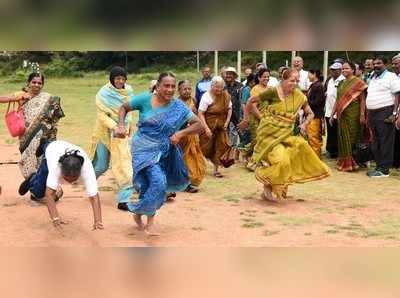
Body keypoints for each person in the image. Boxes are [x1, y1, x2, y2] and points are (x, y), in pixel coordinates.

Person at [115, 72, 203, 236]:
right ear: (158, 86)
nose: (169, 90)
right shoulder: (144, 99)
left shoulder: (178, 107)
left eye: (172, 86)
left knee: (152, 184)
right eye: (166, 86)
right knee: (158, 182)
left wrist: (180, 134)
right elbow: (124, 108)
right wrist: (120, 125)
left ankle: (144, 218)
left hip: (163, 151)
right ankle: (143, 215)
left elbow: (198, 125)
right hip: (142, 148)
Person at [239, 68, 330, 201]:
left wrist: (303, 124)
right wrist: (248, 119)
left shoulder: (299, 95)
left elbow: (311, 113)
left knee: (288, 158)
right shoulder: (273, 92)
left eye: (297, 81)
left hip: (286, 135)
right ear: (283, 80)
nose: (294, 84)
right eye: (291, 81)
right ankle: (267, 184)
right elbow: (251, 102)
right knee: (280, 160)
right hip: (269, 135)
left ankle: (275, 188)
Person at [0, 72, 64, 201]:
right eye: (34, 82)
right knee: (29, 163)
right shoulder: (21, 95)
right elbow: (1, 99)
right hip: (26, 137)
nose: (36, 85)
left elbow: (55, 115)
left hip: (44, 138)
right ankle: (35, 188)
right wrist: (18, 98)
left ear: (43, 85)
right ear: (28, 83)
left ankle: (39, 188)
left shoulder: (47, 97)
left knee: (44, 163)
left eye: (39, 83)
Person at [18, 140, 103, 230]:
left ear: (80, 172)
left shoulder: (87, 170)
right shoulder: (55, 166)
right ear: (61, 170)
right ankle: (32, 177)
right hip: (52, 149)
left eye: (74, 179)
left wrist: (98, 221)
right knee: (38, 192)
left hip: (65, 148)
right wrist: (55, 218)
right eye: (66, 178)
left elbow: (94, 197)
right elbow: (49, 194)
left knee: (43, 189)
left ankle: (44, 146)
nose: (69, 182)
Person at [89, 66, 136, 211]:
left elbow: (129, 111)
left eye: (122, 79)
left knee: (124, 166)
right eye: (117, 78)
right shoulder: (103, 93)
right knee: (101, 165)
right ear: (112, 79)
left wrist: (126, 128)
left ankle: (124, 199)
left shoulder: (128, 91)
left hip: (121, 134)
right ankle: (89, 184)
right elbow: (101, 116)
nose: (120, 81)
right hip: (104, 133)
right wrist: (114, 126)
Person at [329, 62, 367, 171]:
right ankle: (344, 162)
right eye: (343, 68)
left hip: (354, 114)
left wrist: (362, 114)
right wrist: (332, 115)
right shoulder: (341, 83)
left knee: (352, 137)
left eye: (346, 68)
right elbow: (338, 100)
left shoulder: (358, 82)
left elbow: (362, 100)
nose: (344, 70)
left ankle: (354, 162)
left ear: (353, 70)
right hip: (342, 114)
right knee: (342, 137)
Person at [367, 56, 400, 177]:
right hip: (373, 113)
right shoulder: (373, 77)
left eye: (379, 63)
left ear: (385, 64)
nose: (376, 65)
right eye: (374, 63)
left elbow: (397, 95)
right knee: (376, 142)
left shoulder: (391, 77)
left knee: (385, 141)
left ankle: (384, 170)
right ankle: (379, 167)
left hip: (385, 112)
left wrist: (394, 113)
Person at [198, 76, 232, 178]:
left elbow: (229, 109)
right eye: (216, 87)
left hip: (221, 127)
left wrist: (227, 122)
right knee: (205, 148)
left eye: (221, 87)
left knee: (220, 147)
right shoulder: (206, 96)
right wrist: (206, 128)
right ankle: (200, 166)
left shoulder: (225, 96)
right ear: (212, 86)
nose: (218, 90)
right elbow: (200, 113)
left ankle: (216, 170)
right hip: (208, 126)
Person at [177, 80, 206, 193]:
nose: (187, 91)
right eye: (184, 89)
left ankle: (189, 182)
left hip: (193, 135)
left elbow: (197, 116)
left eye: (189, 89)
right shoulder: (176, 102)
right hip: (181, 134)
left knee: (193, 157)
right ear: (179, 90)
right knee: (182, 159)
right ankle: (182, 182)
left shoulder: (193, 100)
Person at [244, 68, 271, 170]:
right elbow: (253, 106)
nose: (266, 78)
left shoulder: (270, 89)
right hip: (256, 118)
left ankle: (261, 160)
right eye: (264, 76)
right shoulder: (255, 89)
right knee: (257, 140)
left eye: (268, 76)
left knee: (265, 140)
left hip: (267, 119)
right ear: (259, 78)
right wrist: (260, 117)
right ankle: (247, 154)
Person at [324, 62, 345, 158]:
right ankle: (330, 150)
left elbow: (340, 98)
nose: (332, 72)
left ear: (340, 70)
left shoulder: (343, 80)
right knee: (330, 132)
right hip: (328, 110)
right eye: (331, 70)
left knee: (337, 132)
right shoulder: (330, 80)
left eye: (335, 70)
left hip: (338, 112)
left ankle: (337, 152)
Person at [306, 69, 325, 157]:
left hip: (315, 115)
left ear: (314, 74)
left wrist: (306, 104)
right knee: (310, 137)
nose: (308, 76)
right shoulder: (313, 85)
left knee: (314, 138)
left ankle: (316, 158)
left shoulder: (319, 86)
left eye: (309, 74)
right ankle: (312, 158)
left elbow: (318, 101)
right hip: (310, 115)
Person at [224, 67, 243, 150]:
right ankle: (230, 152)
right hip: (226, 114)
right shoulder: (223, 86)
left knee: (242, 133)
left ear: (234, 76)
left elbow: (243, 100)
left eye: (230, 74)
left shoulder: (240, 86)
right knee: (228, 133)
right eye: (227, 74)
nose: (228, 75)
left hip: (238, 114)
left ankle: (242, 152)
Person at [239, 73, 256, 148]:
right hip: (246, 116)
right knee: (246, 138)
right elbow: (243, 104)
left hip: (249, 116)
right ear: (251, 82)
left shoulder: (251, 89)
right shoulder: (246, 89)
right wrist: (245, 117)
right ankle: (237, 151)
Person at [392, 54, 400, 168]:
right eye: (393, 64)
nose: (394, 66)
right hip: (394, 111)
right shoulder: (393, 77)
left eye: (396, 63)